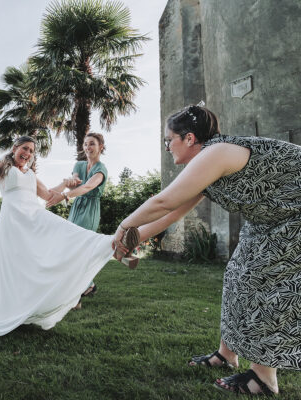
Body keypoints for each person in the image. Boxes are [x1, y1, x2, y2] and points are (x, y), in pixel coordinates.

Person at [113, 104, 301, 395]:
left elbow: (162, 202)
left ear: (188, 138)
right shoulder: (202, 166)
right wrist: (128, 240)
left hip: (293, 217)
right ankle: (227, 355)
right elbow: (171, 213)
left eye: (168, 140)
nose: (166, 147)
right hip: (266, 220)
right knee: (236, 277)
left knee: (266, 285)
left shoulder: (216, 152)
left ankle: (264, 377)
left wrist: (123, 226)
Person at [0, 136, 138, 336]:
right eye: (24, 148)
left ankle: (111, 245)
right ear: (14, 148)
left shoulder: (30, 174)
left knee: (67, 233)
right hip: (13, 223)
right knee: (14, 267)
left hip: (34, 219)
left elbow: (47, 195)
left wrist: (65, 184)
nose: (27, 154)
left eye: (31, 151)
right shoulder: (2, 165)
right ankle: (7, 310)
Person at [46, 132, 109, 308]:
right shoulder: (79, 164)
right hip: (76, 208)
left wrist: (65, 196)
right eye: (85, 144)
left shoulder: (101, 169)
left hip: (89, 211)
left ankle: (75, 298)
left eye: (92, 144)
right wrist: (70, 181)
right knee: (71, 247)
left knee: (76, 250)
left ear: (101, 147)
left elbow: (88, 187)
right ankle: (89, 286)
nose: (88, 147)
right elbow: (75, 179)